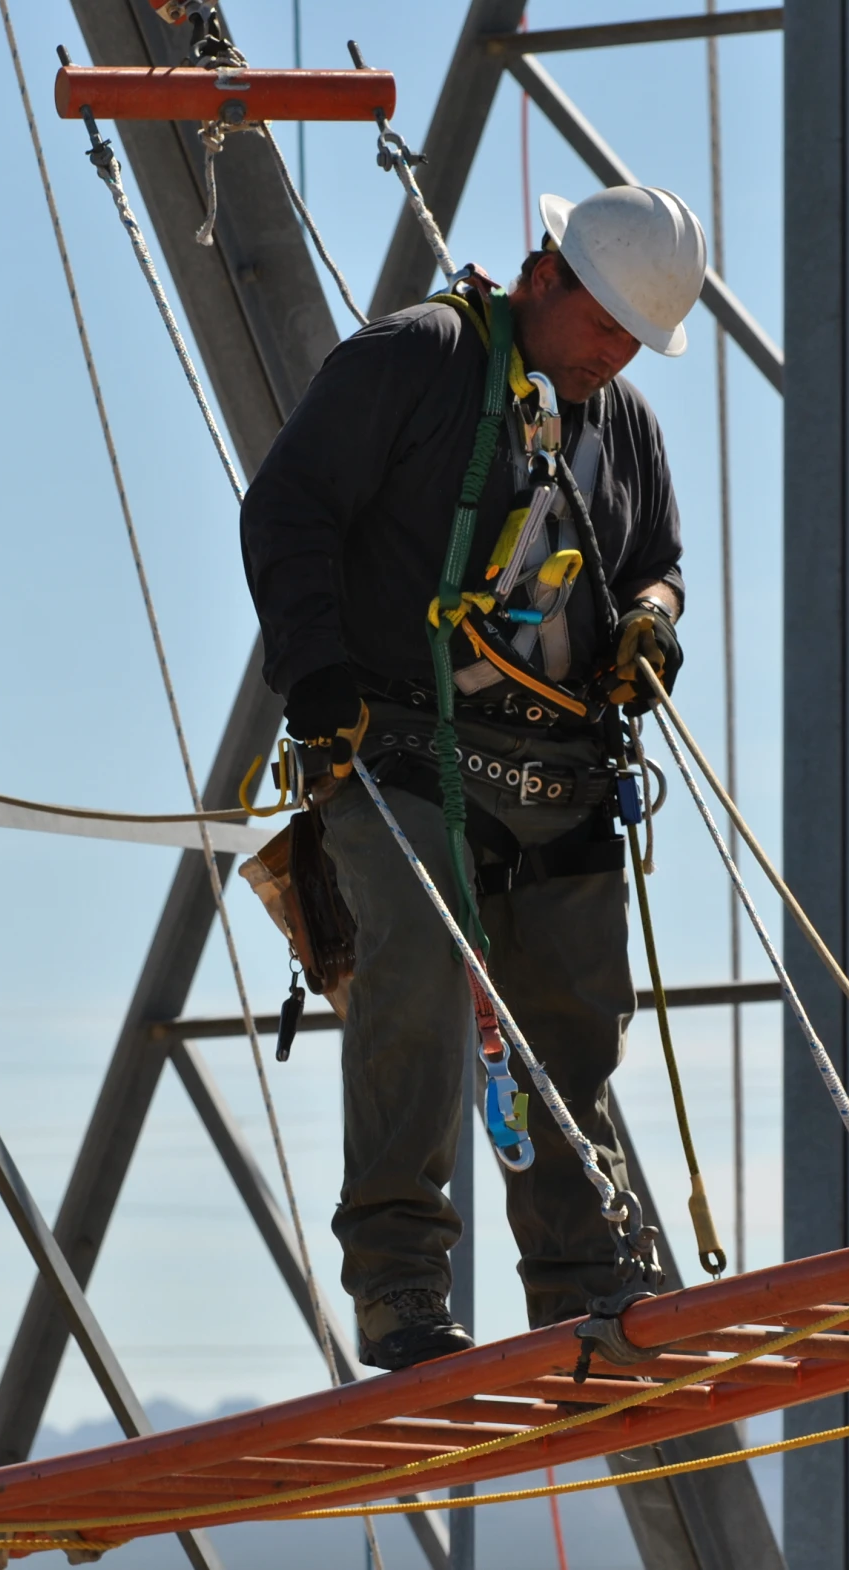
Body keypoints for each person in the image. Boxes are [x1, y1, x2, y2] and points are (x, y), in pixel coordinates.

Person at [240, 185, 707, 1370]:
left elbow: (656, 562)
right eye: (604, 326)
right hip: (403, 744)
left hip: (558, 770)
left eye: (632, 341)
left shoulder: (623, 428)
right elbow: (287, 507)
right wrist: (317, 680)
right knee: (414, 982)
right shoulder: (421, 360)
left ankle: (585, 1290)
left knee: (574, 1026)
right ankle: (400, 1290)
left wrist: (650, 620)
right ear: (543, 274)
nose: (613, 357)